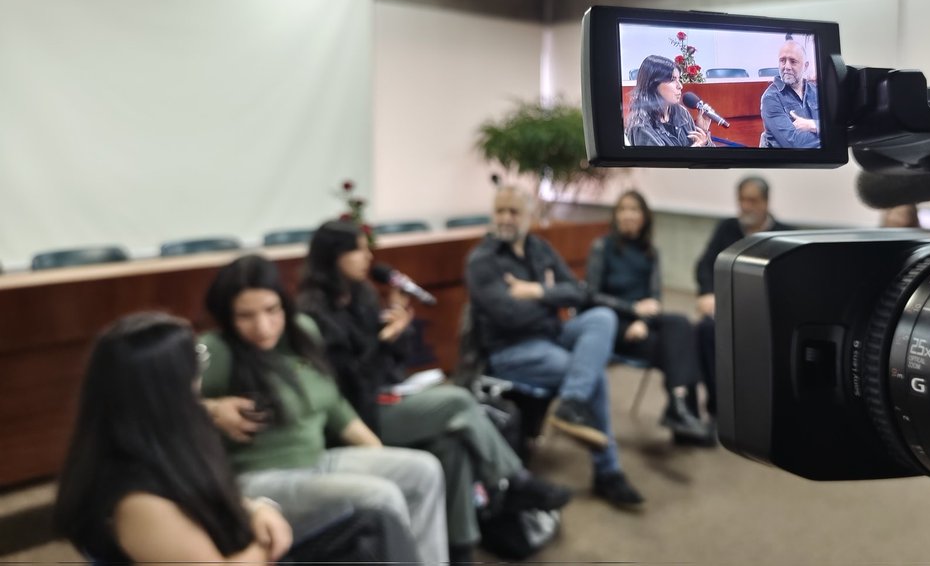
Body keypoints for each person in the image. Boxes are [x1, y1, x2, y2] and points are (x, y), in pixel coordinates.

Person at [296, 219, 571, 561]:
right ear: (333, 256)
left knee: (451, 446)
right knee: (457, 400)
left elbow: (390, 363)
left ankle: (459, 551)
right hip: (357, 417)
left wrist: (399, 333)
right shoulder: (312, 313)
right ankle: (513, 480)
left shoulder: (361, 295)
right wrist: (383, 341)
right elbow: (343, 385)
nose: (368, 257)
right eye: (358, 250)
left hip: (388, 394)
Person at [198, 255, 448, 565]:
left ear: (284, 305)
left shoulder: (302, 331)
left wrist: (377, 453)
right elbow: (165, 408)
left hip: (318, 460)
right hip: (262, 478)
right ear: (227, 316)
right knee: (381, 496)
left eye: (271, 310)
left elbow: (332, 403)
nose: (262, 327)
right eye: (245, 316)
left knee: (424, 470)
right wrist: (212, 409)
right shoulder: (216, 349)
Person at [54, 312, 293, 564]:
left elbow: (206, 496)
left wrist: (257, 508)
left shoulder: (159, 442)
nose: (200, 379)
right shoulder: (140, 503)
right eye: (195, 363)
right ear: (169, 388)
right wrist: (266, 546)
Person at [466, 185, 645, 508]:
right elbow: (509, 317)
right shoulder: (482, 261)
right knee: (591, 374)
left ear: (530, 215)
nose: (505, 218)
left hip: (550, 334)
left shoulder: (540, 248)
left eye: (513, 211)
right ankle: (608, 471)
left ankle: (571, 403)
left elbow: (579, 292)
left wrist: (537, 292)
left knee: (602, 317)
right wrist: (551, 300)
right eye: (499, 211)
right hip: (512, 349)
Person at [586, 190, 712, 445]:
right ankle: (681, 414)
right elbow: (591, 296)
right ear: (615, 215)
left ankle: (678, 406)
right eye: (623, 209)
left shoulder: (650, 251)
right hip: (611, 322)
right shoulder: (602, 247)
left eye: (634, 209)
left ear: (644, 216)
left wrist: (643, 321)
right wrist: (634, 310)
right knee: (676, 346)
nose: (628, 215)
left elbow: (655, 298)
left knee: (681, 323)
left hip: (643, 323)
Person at [693, 176, 794, 417]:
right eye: (742, 200)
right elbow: (704, 266)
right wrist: (707, 293)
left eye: (752, 200)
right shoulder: (727, 228)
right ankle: (719, 405)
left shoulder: (786, 235)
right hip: (726, 308)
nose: (746, 206)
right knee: (704, 331)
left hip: (767, 314)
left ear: (766, 202)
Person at [626, 54, 713, 147]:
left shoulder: (682, 114)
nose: (680, 86)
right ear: (653, 84)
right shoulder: (640, 126)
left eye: (679, 79)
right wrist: (695, 148)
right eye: (672, 79)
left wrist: (703, 133)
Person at [759, 36, 821, 149]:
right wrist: (825, 130)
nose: (787, 67)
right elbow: (795, 144)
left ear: (805, 66)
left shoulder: (816, 91)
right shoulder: (770, 98)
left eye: (793, 61)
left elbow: (836, 125)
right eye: (782, 61)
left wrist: (813, 125)